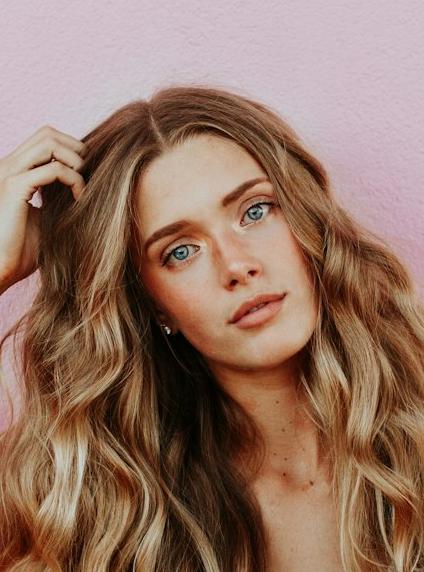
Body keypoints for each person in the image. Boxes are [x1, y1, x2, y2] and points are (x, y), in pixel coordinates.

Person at [0, 84, 423, 572]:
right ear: (154, 306)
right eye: (180, 251)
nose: (237, 265)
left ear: (308, 221)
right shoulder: (108, 513)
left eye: (255, 211)